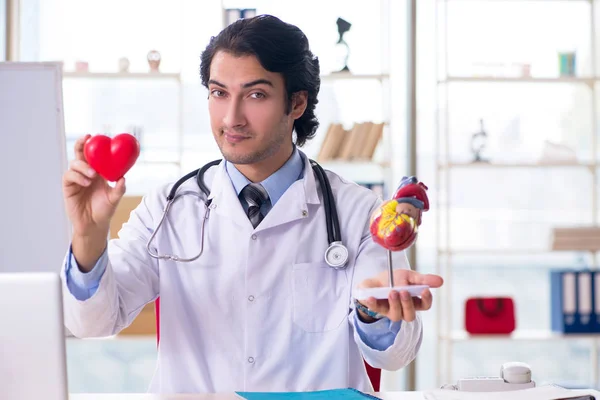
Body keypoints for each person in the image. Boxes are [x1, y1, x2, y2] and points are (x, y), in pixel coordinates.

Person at [60, 14, 444, 394]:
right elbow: (93, 324)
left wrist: (371, 311)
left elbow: (394, 357)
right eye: (219, 93)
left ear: (296, 103)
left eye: (255, 95)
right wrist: (88, 237)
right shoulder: (169, 207)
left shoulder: (359, 212)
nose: (231, 117)